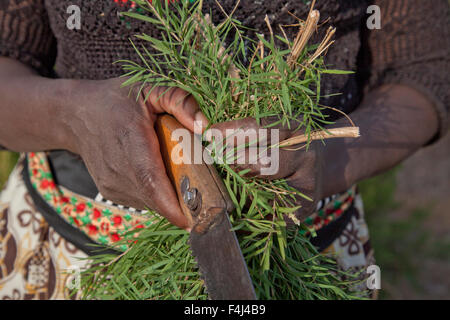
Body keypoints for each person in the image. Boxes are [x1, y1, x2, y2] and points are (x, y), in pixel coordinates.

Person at [0, 0, 448, 300]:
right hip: (77, 260)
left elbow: (423, 68)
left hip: (303, 252)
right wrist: (70, 117)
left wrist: (329, 158)